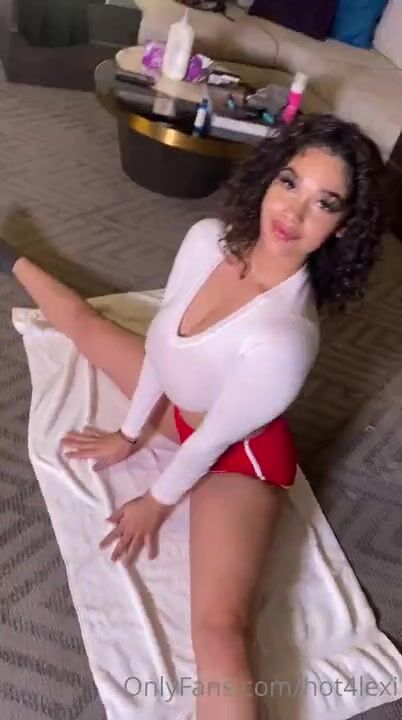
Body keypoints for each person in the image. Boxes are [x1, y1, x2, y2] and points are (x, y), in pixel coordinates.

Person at [0, 114, 385, 720]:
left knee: (218, 631)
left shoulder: (286, 338)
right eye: (290, 182)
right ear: (270, 178)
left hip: (239, 460)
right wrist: (129, 433)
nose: (293, 212)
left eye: (324, 202)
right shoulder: (207, 240)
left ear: (341, 226)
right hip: (183, 413)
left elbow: (210, 443)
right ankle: (6, 254)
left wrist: (155, 502)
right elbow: (162, 346)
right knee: (87, 328)